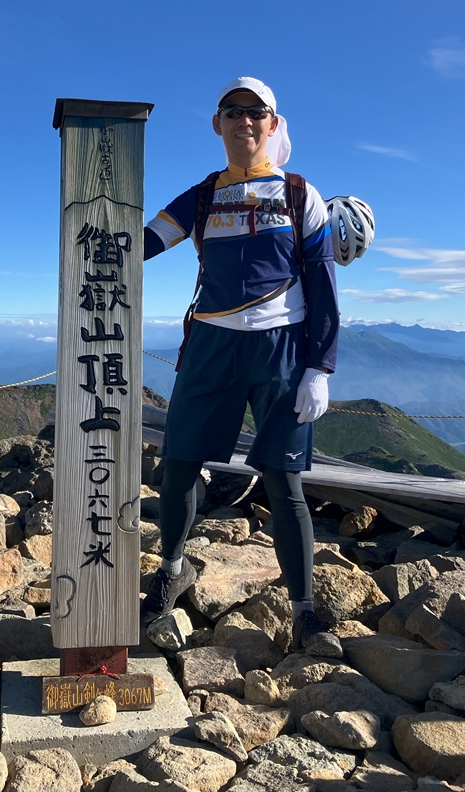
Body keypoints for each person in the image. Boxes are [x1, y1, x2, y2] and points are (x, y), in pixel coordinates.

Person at [141, 76, 340, 652]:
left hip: (283, 348)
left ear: (273, 124)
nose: (244, 121)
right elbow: (145, 242)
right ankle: (172, 570)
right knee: (179, 464)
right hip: (210, 343)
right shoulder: (202, 196)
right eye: (232, 111)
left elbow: (324, 286)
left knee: (283, 479)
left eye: (257, 112)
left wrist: (320, 367)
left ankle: (304, 610)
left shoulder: (301, 195)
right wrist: (92, 229)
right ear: (217, 124)